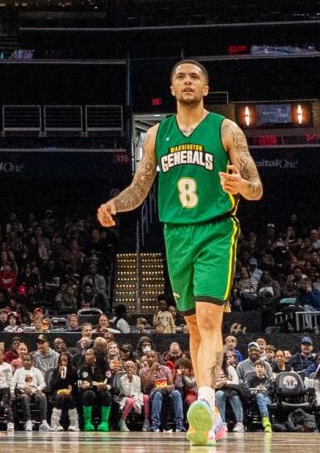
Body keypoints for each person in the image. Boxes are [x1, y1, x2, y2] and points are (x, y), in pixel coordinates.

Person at [97, 61, 262, 441]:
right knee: (192, 325)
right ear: (172, 89)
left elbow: (256, 187)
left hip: (215, 230)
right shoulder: (157, 135)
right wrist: (114, 205)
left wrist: (242, 186)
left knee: (209, 320)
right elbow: (140, 187)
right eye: (180, 77)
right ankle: (213, 416)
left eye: (195, 77)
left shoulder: (226, 129)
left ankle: (204, 399)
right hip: (175, 235)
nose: (188, 81)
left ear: (205, 88)